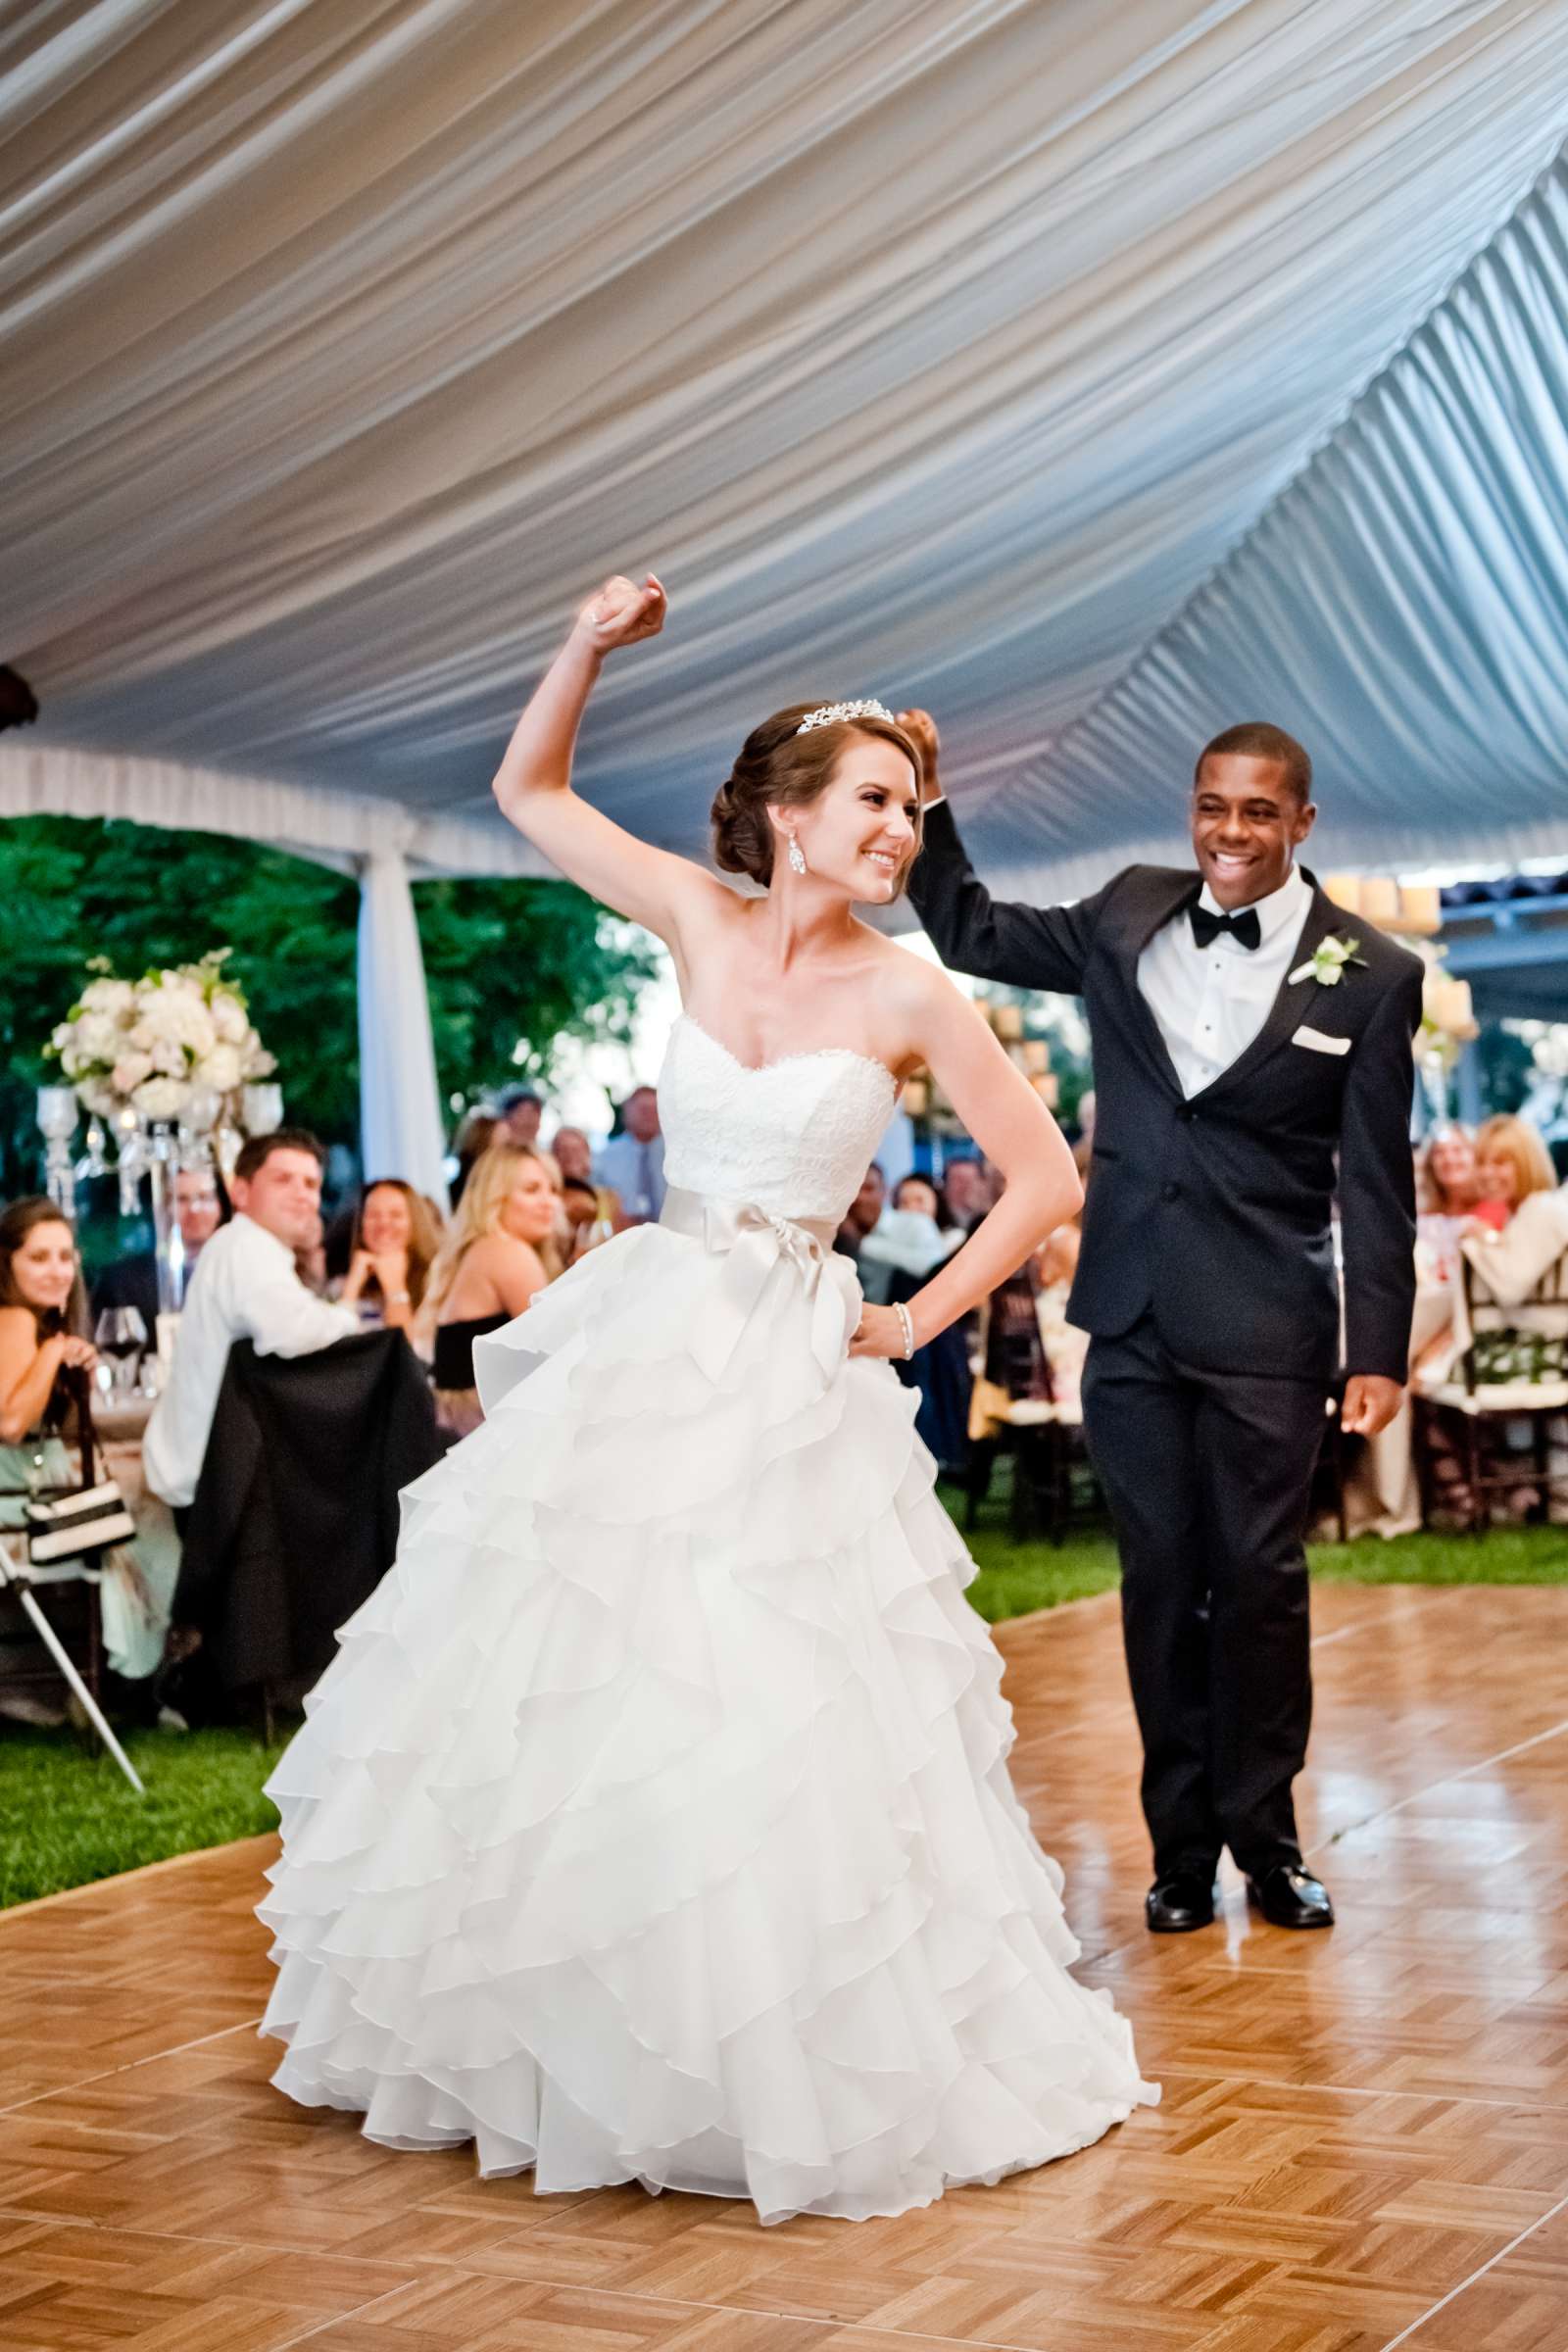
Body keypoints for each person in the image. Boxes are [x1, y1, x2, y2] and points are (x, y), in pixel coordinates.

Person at [260, 571, 1155, 2227]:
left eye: (912, 804)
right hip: (653, 1327)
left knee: (770, 1681)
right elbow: (528, 790)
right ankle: (561, 2033)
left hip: (793, 1364)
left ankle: (769, 2058)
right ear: (788, 817)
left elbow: (1042, 1178)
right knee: (586, 1669)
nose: (906, 828)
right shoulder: (689, 911)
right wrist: (586, 641)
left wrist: (920, 1314)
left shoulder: (910, 990)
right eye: (880, 802)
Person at [903, 707, 1423, 1936]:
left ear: (1301, 822)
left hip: (1269, 1328)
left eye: (1256, 810)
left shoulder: (1375, 974)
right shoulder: (1126, 908)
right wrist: (925, 799)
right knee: (1158, 1584)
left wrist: (1377, 1350)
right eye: (1210, 804)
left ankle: (1269, 1840)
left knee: (1256, 1582)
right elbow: (970, 927)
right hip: (1129, 1318)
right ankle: (1178, 1854)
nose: (1228, 831)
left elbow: (1374, 1179)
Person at [0, 1197, 180, 1694]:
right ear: (6, 1262)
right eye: (38, 1258)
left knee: (147, 1491)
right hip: (20, 1515)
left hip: (27, 1494)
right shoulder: (13, 1319)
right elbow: (12, 1424)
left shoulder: (34, 1321)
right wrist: (54, 1351)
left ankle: (151, 1657)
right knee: (157, 1500)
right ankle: (158, 1661)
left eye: (64, 1256)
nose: (57, 1270)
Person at [143, 1131, 362, 1513]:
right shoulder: (246, 1245)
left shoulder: (244, 1245)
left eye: (311, 1184)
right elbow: (294, 1334)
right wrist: (348, 1317)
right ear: (240, 1192)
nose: (301, 1194)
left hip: (212, 1477)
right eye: (283, 1179)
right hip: (212, 1487)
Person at [417, 1143, 561, 1435]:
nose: (549, 1202)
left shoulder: (478, 1249)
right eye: (532, 1190)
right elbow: (558, 1349)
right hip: (476, 1426)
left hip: (453, 1420)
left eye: (553, 1190)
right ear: (496, 1198)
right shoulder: (506, 1251)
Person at [90, 1164, 229, 1330]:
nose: (194, 1209)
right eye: (182, 1199)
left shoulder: (240, 1272)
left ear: (220, 1207)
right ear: (162, 1208)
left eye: (205, 1197)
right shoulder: (123, 1283)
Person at [335, 1179, 440, 1334]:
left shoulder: (437, 1282)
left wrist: (395, 1290)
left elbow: (409, 1353)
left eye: (396, 1215)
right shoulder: (340, 1285)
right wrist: (352, 1287)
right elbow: (333, 1349)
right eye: (373, 1215)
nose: (383, 1223)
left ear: (415, 1223)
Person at [594, 1084, 665, 1221]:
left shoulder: (678, 1155)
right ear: (627, 1113)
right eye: (643, 1110)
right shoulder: (605, 1157)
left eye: (655, 1110)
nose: (649, 1116)